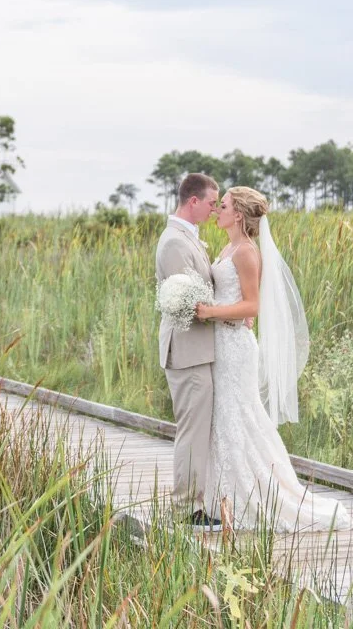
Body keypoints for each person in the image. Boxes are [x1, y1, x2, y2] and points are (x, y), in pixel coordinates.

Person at [193, 186, 353, 531]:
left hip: (235, 349)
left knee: (238, 418)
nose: (217, 210)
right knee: (224, 421)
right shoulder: (228, 246)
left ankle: (241, 502)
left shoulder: (247, 252)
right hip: (222, 345)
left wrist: (209, 312)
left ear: (237, 214)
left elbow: (253, 305)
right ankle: (221, 501)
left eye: (223, 206)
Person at [155, 172, 233, 533]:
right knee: (192, 430)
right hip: (186, 351)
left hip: (198, 350)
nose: (215, 210)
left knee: (199, 429)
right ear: (194, 202)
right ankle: (186, 509)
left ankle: (194, 501)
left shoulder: (188, 239)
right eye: (212, 203)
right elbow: (189, 302)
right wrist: (230, 311)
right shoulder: (174, 243)